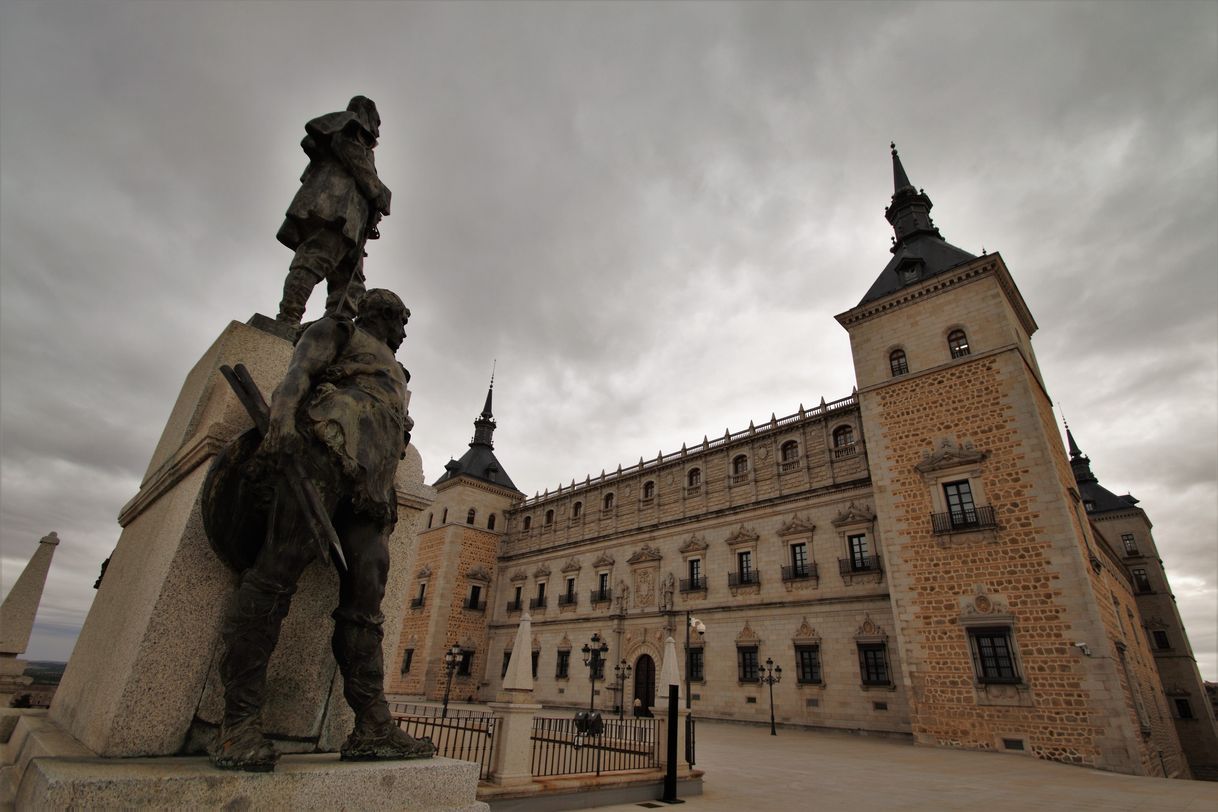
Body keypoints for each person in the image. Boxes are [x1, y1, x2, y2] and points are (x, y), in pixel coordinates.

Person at [211, 288, 433, 771]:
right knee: (276, 572)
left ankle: (372, 725)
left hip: (373, 484)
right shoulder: (338, 331)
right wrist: (283, 424)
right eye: (401, 323)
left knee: (367, 599)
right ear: (381, 315)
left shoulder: (396, 370)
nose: (403, 333)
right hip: (326, 451)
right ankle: (238, 724)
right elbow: (297, 376)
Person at [275, 96, 392, 325]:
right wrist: (381, 194)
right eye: (376, 123)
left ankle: (333, 334)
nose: (377, 132)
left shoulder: (363, 143)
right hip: (334, 211)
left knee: (351, 283)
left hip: (353, 223)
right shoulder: (348, 129)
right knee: (315, 259)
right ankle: (288, 318)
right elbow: (357, 164)